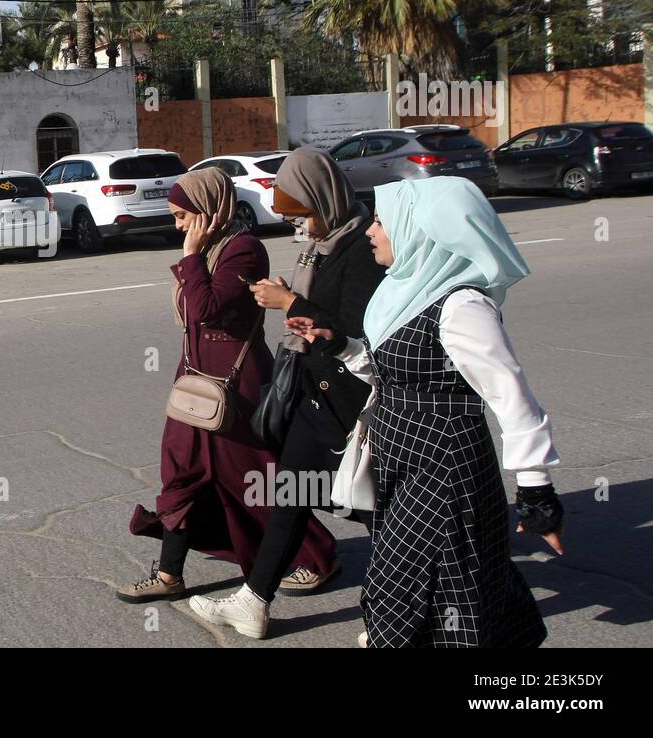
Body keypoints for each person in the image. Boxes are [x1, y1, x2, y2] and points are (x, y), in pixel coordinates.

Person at [287, 177, 564, 648]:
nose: (371, 231)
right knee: (434, 581)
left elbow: (512, 395)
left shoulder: (462, 305)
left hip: (444, 465)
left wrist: (536, 491)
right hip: (401, 458)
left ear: (421, 229)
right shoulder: (404, 291)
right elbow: (393, 370)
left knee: (414, 586)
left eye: (381, 221)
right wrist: (340, 345)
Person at [187, 148, 385, 639]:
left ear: (325, 198)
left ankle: (396, 616)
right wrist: (292, 302)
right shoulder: (320, 246)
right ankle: (253, 602)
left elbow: (358, 329)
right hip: (312, 398)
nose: (303, 227)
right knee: (291, 498)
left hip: (350, 405)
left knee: (376, 510)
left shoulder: (363, 248)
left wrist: (293, 301)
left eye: (306, 216)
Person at [118, 167, 337, 603]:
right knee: (181, 475)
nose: (179, 225)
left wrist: (192, 256)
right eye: (176, 217)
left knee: (254, 479)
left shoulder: (244, 249)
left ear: (209, 209)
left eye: (183, 216)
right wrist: (195, 256)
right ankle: (169, 574)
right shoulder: (212, 249)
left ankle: (317, 556)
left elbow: (206, 309)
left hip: (236, 387)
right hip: (194, 384)